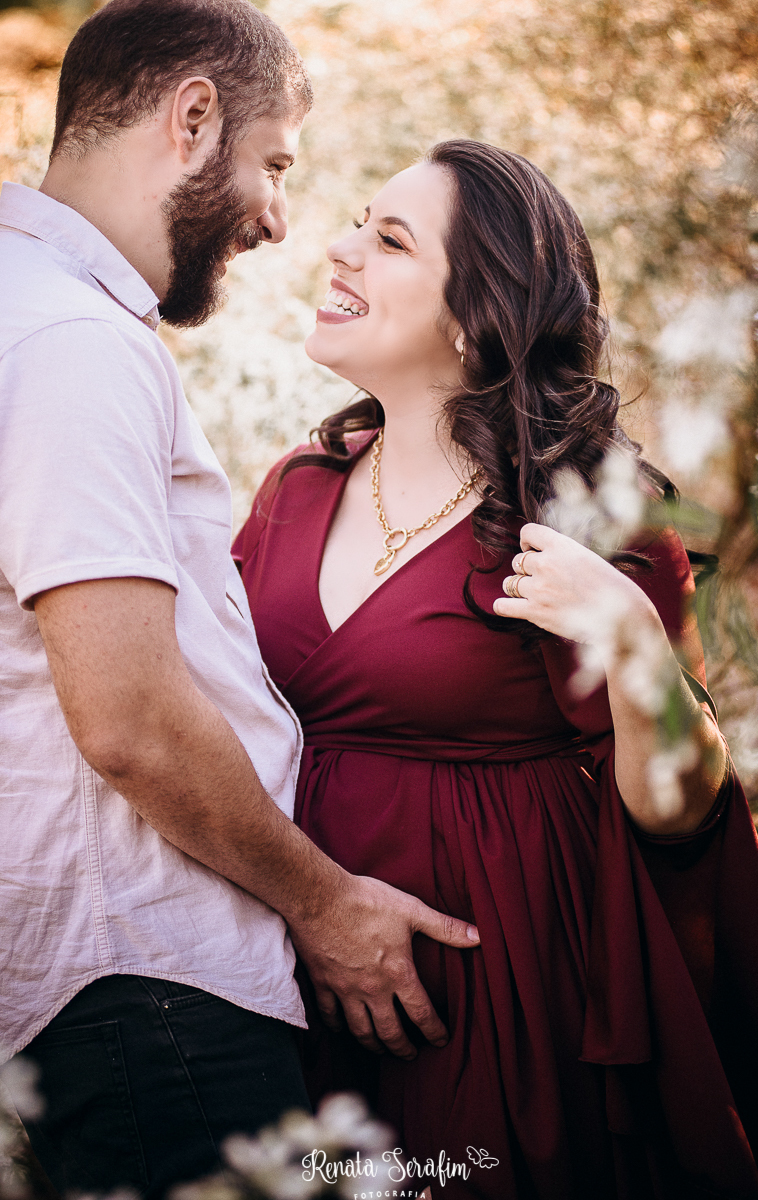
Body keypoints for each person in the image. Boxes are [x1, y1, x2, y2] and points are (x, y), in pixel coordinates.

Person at [234, 140, 758, 1199]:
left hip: (487, 1003)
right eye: (357, 221)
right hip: (286, 974)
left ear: (475, 315)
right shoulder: (294, 491)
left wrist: (633, 648)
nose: (339, 250)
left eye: (389, 239)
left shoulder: (589, 518)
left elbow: (680, 823)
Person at [0, 5, 480, 1196]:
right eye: (275, 164)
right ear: (193, 117)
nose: (279, 218)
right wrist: (325, 905)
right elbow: (129, 717)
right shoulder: (70, 340)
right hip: (153, 992)